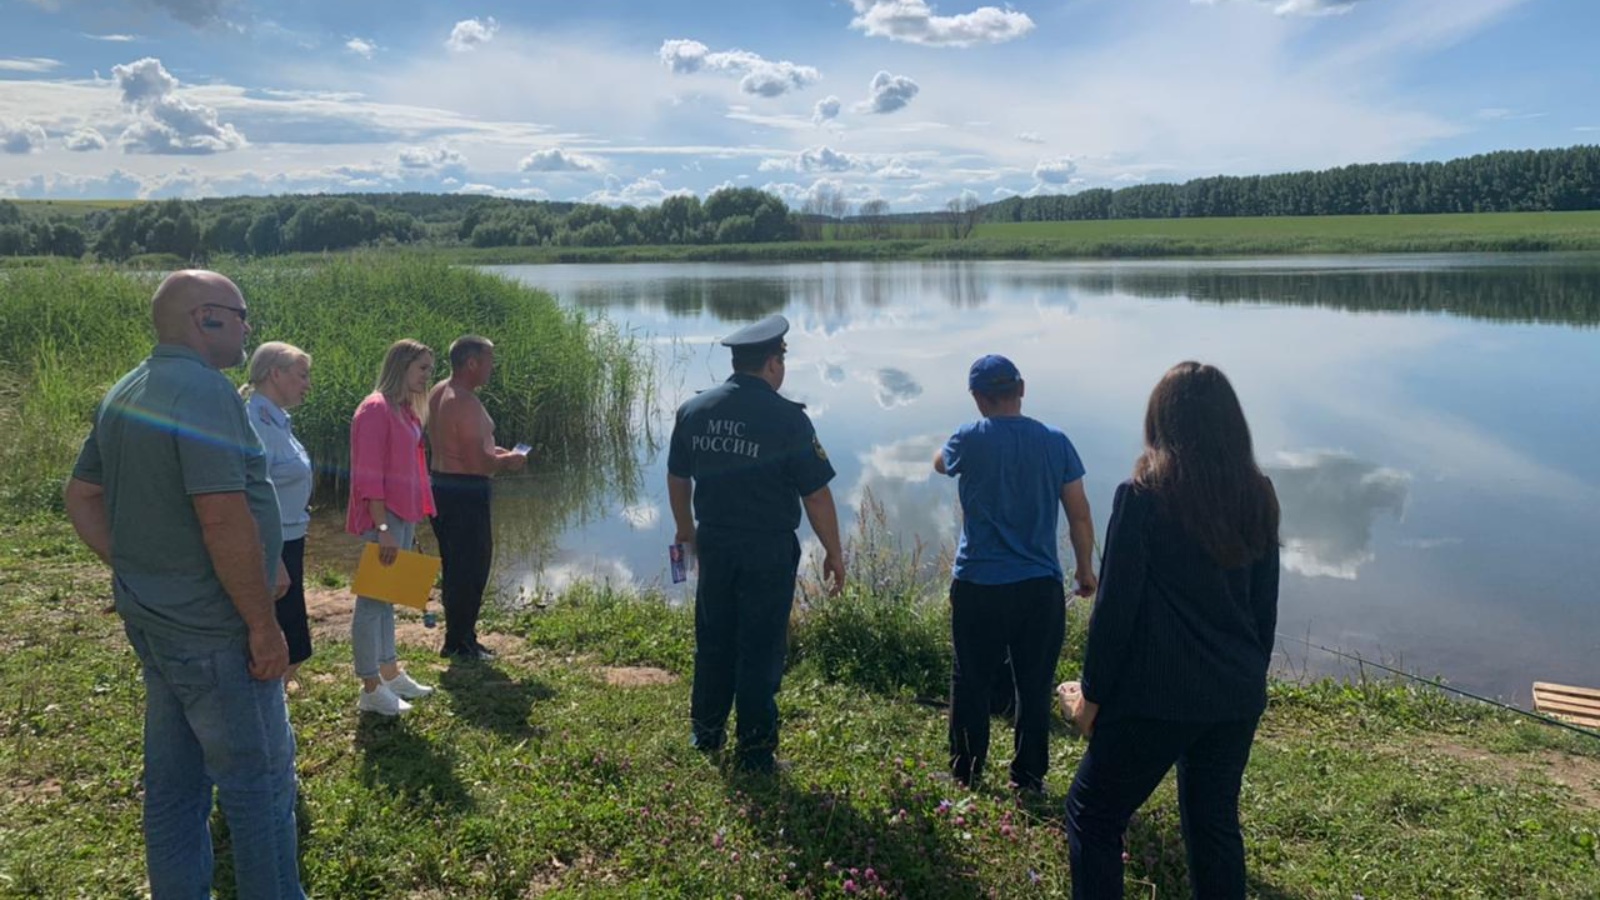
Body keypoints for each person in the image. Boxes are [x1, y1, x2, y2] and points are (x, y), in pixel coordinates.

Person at [62, 269, 305, 899]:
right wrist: (261, 625)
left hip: (155, 619)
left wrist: (145, 565)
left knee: (175, 787)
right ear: (206, 318)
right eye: (241, 313)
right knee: (260, 786)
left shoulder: (128, 386)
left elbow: (83, 495)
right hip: (215, 632)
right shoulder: (204, 391)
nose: (249, 326)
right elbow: (221, 515)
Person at [1063, 361, 1281, 900]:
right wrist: (1247, 681)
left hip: (1155, 698)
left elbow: (1114, 612)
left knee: (1092, 814)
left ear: (1160, 422)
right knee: (1213, 826)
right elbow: (1263, 613)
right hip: (1234, 695)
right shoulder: (1259, 493)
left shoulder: (1141, 497)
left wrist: (1090, 695)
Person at [667, 313, 846, 774]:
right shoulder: (788, 419)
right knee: (760, 647)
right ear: (771, 364)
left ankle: (705, 734)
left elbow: (677, 475)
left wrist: (685, 529)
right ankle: (756, 753)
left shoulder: (694, 410)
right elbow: (816, 494)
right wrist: (834, 551)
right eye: (780, 361)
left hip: (715, 544)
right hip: (766, 549)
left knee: (713, 638)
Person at [934, 354, 1097, 793]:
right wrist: (1085, 569)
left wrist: (950, 447)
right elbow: (1079, 513)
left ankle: (965, 774)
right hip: (1039, 586)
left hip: (978, 585)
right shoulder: (1056, 441)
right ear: (1022, 389)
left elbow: (940, 464)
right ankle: (1028, 778)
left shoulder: (968, 437)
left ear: (977, 398)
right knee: (1035, 683)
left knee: (970, 679)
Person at [347, 338, 438, 716]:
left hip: (401, 516)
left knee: (387, 600)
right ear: (401, 366)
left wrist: (410, 519)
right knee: (371, 601)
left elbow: (408, 471)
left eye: (429, 370)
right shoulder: (375, 409)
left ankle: (389, 672)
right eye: (422, 369)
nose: (427, 377)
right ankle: (370, 687)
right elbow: (369, 476)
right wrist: (383, 526)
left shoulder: (405, 410)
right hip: (381, 519)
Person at [427, 335, 527, 661]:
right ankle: (461, 643)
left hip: (442, 485)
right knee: (470, 568)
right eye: (489, 361)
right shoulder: (465, 402)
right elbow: (477, 463)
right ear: (472, 363)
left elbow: (461, 448)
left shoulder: (440, 391)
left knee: (455, 566)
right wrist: (508, 461)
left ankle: (458, 638)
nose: (491, 368)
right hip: (465, 492)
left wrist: (494, 451)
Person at [242, 341, 315, 689]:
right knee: (284, 632)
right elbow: (246, 495)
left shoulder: (277, 420)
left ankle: (278, 690)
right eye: (302, 375)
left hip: (290, 538)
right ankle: (271, 693)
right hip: (274, 542)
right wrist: (271, 557)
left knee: (294, 630)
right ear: (275, 373)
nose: (307, 384)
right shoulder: (254, 422)